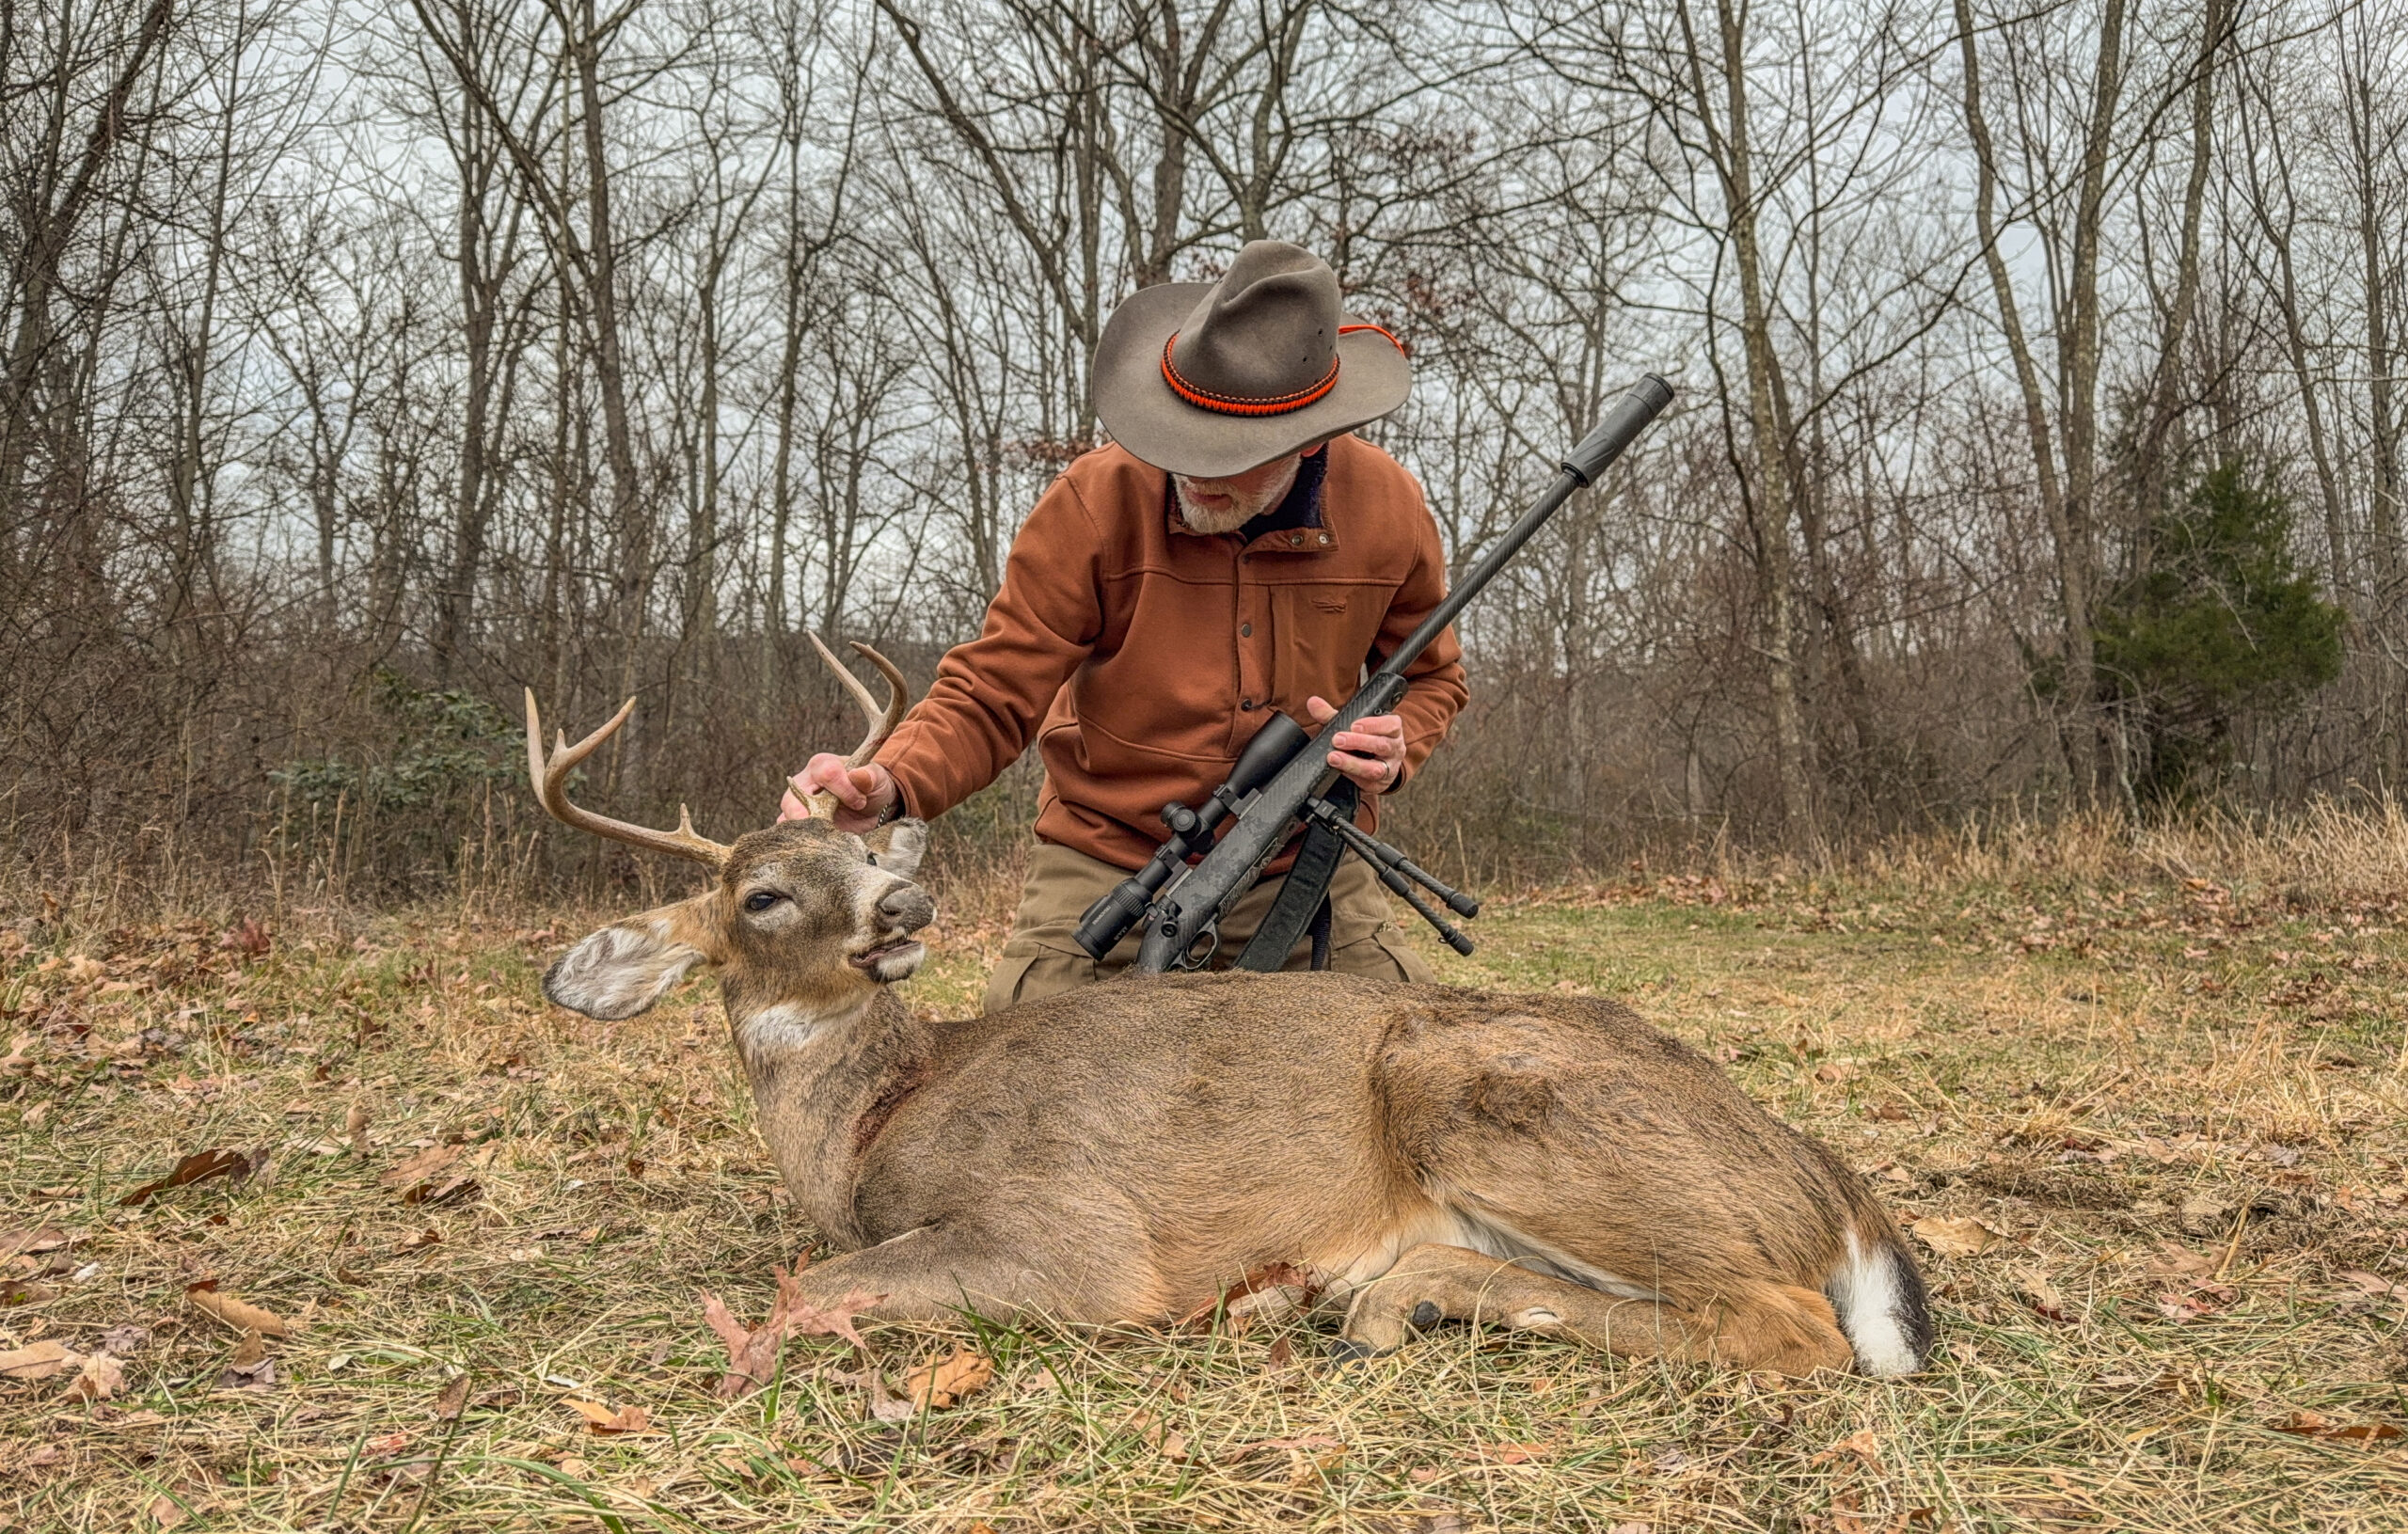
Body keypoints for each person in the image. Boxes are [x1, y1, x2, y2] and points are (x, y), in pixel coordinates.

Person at [782, 241, 1466, 1012]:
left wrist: (1397, 740)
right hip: (1110, 859)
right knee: (1018, 1095)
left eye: (1229, 450)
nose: (1195, 469)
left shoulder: (1391, 508)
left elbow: (1435, 674)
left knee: (1409, 1070)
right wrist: (889, 782)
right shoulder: (1091, 503)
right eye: (1179, 433)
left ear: (1308, 438)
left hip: (1305, 864)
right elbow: (992, 692)